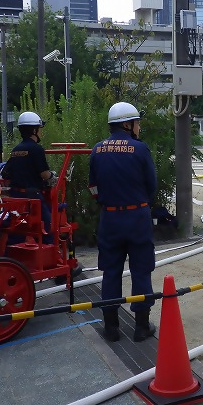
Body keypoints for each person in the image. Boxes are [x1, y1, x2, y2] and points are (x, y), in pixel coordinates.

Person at [88, 102, 157, 343]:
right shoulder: (139, 149)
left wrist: (107, 202)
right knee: (141, 270)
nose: (138, 127)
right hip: (137, 217)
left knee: (111, 271)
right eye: (136, 123)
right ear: (127, 124)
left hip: (110, 218)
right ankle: (141, 326)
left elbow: (93, 187)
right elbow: (152, 186)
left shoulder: (97, 150)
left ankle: (111, 327)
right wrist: (139, 202)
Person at [1, 111, 57, 244]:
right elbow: (44, 174)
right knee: (49, 227)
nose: (41, 132)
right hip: (32, 198)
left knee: (17, 229)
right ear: (34, 130)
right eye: (40, 129)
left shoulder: (16, 150)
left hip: (15, 197)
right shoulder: (36, 149)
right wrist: (53, 176)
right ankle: (50, 258)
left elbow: (6, 172)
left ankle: (14, 258)